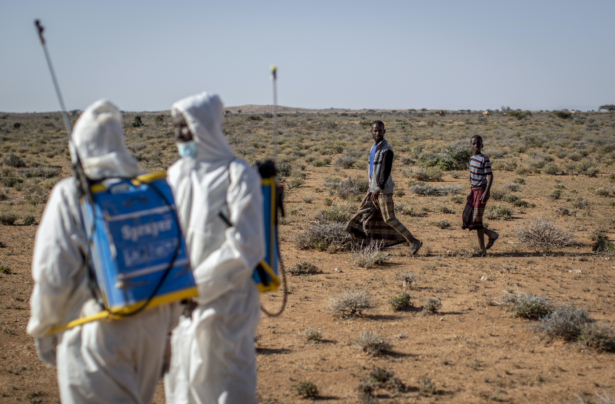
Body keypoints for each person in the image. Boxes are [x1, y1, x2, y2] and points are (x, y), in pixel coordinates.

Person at [27, 100, 181, 404]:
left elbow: (54, 271)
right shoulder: (151, 192)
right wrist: (166, 331)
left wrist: (43, 325)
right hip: (153, 324)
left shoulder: (72, 193)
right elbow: (169, 260)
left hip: (96, 329)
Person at [163, 92, 265, 404]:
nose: (181, 134)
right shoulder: (176, 174)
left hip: (226, 306)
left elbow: (246, 245)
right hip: (181, 308)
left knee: (227, 389)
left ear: (204, 126)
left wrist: (195, 287)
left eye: (187, 126)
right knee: (183, 388)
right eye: (178, 127)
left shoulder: (238, 174)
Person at [345, 120, 423, 255]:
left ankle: (413, 241)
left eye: (380, 130)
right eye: (375, 130)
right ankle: (369, 244)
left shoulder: (387, 149)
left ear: (384, 132)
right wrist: (372, 188)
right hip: (372, 189)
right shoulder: (373, 147)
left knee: (389, 219)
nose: (377, 133)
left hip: (382, 190)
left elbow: (385, 172)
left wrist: (378, 188)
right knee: (365, 215)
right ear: (371, 131)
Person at [462, 134, 499, 256]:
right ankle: (491, 234)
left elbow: (490, 175)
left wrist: (486, 192)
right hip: (473, 191)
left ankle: (482, 250)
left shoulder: (484, 158)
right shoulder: (472, 158)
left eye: (478, 143)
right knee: (467, 216)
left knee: (477, 220)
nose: (476, 145)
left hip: (481, 191)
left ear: (482, 145)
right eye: (473, 143)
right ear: (470, 146)